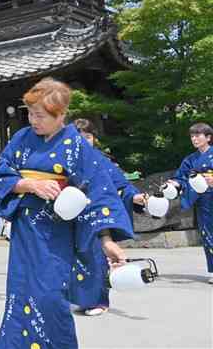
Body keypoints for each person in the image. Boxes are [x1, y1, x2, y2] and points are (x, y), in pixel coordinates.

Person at [0, 78, 133, 349]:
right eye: (30, 113)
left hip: (58, 234)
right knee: (20, 295)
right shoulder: (21, 138)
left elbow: (99, 194)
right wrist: (28, 184)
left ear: (61, 115)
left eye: (40, 115)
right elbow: (0, 175)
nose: (33, 120)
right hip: (25, 230)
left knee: (50, 296)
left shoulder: (77, 146)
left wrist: (107, 241)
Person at [69, 118, 147, 315]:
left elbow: (121, 184)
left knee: (96, 256)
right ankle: (82, 299)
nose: (85, 141)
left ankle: (99, 301)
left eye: (89, 137)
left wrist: (134, 196)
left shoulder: (101, 159)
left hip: (97, 214)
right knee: (76, 257)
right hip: (72, 214)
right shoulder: (65, 159)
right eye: (80, 137)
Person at [167, 122, 213, 284]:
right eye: (192, 136)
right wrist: (174, 184)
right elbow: (181, 178)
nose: (194, 139)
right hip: (204, 202)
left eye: (198, 135)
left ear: (208, 137)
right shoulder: (190, 159)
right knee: (208, 234)